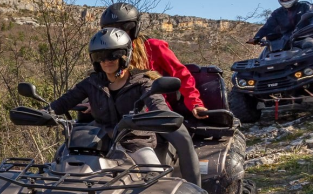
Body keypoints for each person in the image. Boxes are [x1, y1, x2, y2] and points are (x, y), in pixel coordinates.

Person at [48, 28, 202, 185]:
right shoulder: (91, 83)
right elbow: (64, 101)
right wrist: (45, 113)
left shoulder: (143, 82)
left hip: (135, 142)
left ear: (125, 55)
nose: (107, 60)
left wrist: (162, 116)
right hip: (98, 144)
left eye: (113, 55)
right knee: (57, 170)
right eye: (100, 56)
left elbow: (157, 103)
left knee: (157, 180)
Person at [99, 2, 208, 119]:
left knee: (176, 135)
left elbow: (181, 74)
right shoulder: (103, 54)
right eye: (112, 29)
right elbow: (101, 82)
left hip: (152, 110)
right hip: (116, 111)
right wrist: (93, 102)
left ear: (134, 28)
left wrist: (195, 104)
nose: (117, 34)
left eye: (123, 28)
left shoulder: (153, 46)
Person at [249, 0, 313, 49]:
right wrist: (257, 38)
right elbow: (268, 26)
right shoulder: (277, 13)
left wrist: (311, 27)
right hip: (285, 40)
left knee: (308, 45)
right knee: (267, 53)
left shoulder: (305, 6)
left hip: (306, 35)